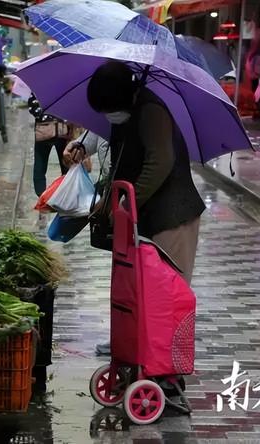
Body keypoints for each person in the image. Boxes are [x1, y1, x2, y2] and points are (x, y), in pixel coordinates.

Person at [67, 61, 206, 355]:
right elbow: (122, 160)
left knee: (169, 290)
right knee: (139, 285)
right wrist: (107, 201)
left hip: (171, 215)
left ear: (123, 97)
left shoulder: (152, 112)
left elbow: (160, 164)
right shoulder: (128, 114)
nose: (108, 116)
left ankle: (167, 364)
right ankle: (135, 343)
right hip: (142, 215)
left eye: (109, 108)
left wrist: (125, 204)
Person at [28, 93, 70, 198]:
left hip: (43, 130)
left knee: (40, 164)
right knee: (66, 164)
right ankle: (66, 193)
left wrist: (42, 115)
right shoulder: (66, 87)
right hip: (62, 129)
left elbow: (32, 107)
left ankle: (41, 195)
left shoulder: (39, 89)